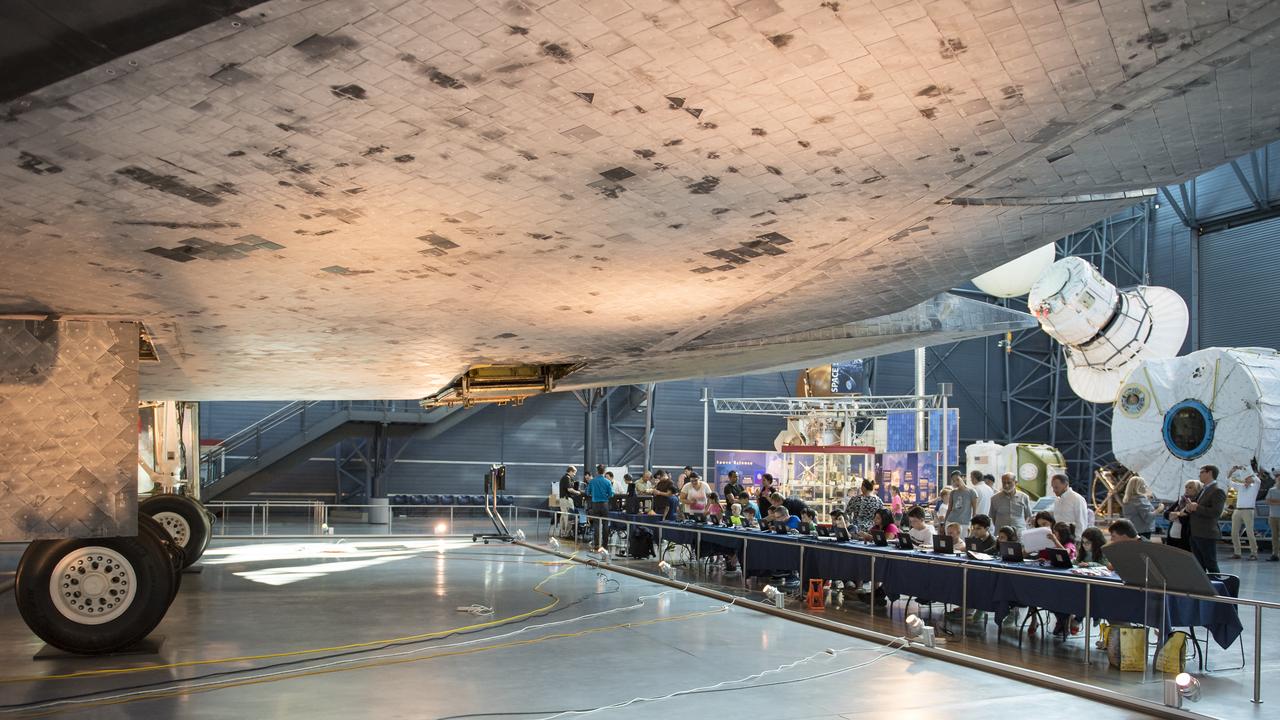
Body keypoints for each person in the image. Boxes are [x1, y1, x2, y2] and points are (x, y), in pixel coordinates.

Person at [1187, 465, 1227, 573]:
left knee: (1210, 563)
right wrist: (1190, 508)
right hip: (1196, 532)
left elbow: (1215, 512)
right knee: (1199, 564)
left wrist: (1197, 507)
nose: (1199, 474)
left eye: (1202, 472)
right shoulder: (1204, 490)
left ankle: (1218, 587)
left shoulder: (1217, 491)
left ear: (1209, 473)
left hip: (1206, 533)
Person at [1228, 464, 1261, 560]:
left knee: (1250, 532)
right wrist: (1231, 471)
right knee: (1234, 532)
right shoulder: (1241, 487)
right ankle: (1237, 553)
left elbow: (1258, 481)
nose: (1246, 480)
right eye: (1245, 478)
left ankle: (1254, 553)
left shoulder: (1254, 487)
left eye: (1248, 478)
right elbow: (1229, 482)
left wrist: (1248, 471)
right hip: (1238, 510)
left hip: (1248, 510)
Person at [1164, 479, 1202, 552]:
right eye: (1186, 487)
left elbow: (1186, 520)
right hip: (1172, 534)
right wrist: (1178, 514)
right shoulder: (1180, 501)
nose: (1187, 489)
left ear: (1197, 490)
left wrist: (1174, 515)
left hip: (1185, 538)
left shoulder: (1196, 503)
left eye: (1190, 487)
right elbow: (1166, 514)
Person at [1121, 475, 1164, 539]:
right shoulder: (1140, 500)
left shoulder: (1127, 499)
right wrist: (1159, 509)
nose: (1145, 486)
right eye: (1144, 485)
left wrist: (1146, 499)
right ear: (1139, 487)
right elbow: (1148, 518)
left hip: (1131, 530)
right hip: (1143, 532)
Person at [586, 464, 613, 548]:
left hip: (595, 505)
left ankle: (597, 544)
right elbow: (611, 494)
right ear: (604, 472)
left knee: (596, 524)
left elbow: (587, 492)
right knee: (605, 524)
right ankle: (605, 545)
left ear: (597, 471)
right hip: (605, 504)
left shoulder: (592, 481)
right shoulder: (608, 482)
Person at [557, 466, 580, 537]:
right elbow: (569, 489)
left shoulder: (565, 478)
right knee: (568, 516)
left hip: (563, 499)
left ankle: (562, 532)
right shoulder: (567, 478)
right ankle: (566, 533)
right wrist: (577, 492)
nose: (574, 474)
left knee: (563, 515)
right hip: (566, 499)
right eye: (574, 472)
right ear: (570, 471)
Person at [1267, 478, 1280, 561]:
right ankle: (1275, 554)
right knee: (1274, 536)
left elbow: (1271, 501)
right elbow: (1268, 500)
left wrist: (1273, 501)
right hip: (1273, 516)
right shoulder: (1272, 490)